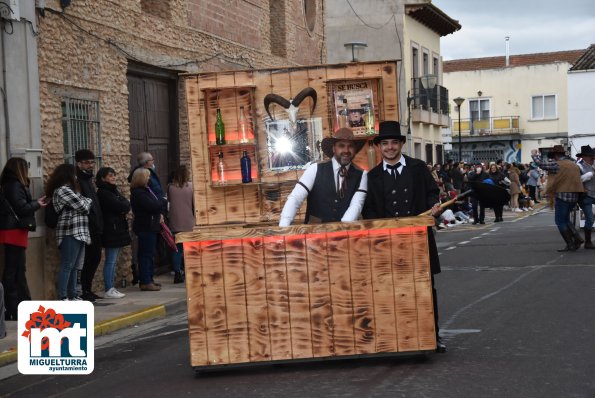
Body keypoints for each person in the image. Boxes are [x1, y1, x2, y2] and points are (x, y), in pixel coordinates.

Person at [361, 120, 446, 353]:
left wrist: (434, 207)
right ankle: (397, 337)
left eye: (394, 143)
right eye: (385, 143)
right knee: (391, 289)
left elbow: (432, 194)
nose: (390, 147)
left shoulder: (418, 168)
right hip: (388, 244)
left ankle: (433, 335)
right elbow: (368, 210)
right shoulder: (373, 176)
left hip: (419, 240)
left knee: (426, 288)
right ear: (380, 146)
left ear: (401, 144)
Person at [279, 128, 367, 226]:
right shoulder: (314, 169)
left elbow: (356, 206)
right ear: (334, 148)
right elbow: (295, 198)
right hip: (314, 233)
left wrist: (341, 231)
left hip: (344, 233)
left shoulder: (362, 174)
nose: (346, 150)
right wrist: (283, 227)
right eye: (341, 146)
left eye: (350, 146)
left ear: (355, 150)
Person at [0, 157, 47, 320]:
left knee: (17, 270)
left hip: (13, 230)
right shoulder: (14, 185)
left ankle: (19, 305)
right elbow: (21, 207)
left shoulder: (10, 184)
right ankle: (16, 307)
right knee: (15, 271)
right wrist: (37, 204)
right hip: (15, 230)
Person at [46, 164, 93, 301]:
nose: (76, 177)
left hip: (80, 231)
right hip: (70, 231)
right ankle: (63, 295)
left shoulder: (72, 190)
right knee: (68, 265)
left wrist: (85, 201)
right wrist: (86, 201)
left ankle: (73, 295)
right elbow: (84, 206)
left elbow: (85, 201)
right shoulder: (63, 190)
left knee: (74, 267)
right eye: (74, 174)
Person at [531, 146, 584, 251]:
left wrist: (534, 155)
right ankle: (577, 238)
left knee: (560, 221)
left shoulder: (558, 164)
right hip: (574, 196)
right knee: (565, 219)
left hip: (562, 196)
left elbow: (542, 164)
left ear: (555, 155)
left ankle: (570, 243)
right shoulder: (574, 165)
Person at [96, 167, 131, 298]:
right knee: (110, 260)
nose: (113, 178)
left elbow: (126, 204)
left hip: (118, 228)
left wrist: (123, 207)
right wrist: (122, 208)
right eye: (110, 176)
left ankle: (111, 287)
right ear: (103, 178)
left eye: (114, 175)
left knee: (114, 260)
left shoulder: (113, 190)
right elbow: (120, 206)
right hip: (111, 229)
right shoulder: (104, 193)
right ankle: (108, 287)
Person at [130, 168, 167, 291]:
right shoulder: (138, 193)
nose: (149, 179)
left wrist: (159, 203)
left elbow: (156, 204)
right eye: (147, 176)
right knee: (145, 255)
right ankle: (145, 281)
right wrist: (162, 201)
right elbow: (153, 205)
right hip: (146, 226)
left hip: (151, 225)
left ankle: (149, 279)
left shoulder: (146, 190)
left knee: (150, 254)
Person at [74, 149, 104, 302]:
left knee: (95, 258)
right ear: (78, 163)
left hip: (95, 226)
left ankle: (87, 288)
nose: (90, 165)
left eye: (92, 162)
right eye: (87, 162)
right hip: (86, 227)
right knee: (87, 259)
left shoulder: (88, 180)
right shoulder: (78, 180)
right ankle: (82, 290)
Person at [167, 165, 194, 283]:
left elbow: (168, 201)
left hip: (175, 221)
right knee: (189, 247)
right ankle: (190, 269)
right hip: (189, 221)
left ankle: (177, 271)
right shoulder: (191, 186)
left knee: (176, 249)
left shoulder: (170, 187)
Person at [576, 145, 595, 249]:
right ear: (583, 156)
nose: (592, 157)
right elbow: (577, 180)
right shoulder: (578, 166)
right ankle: (588, 242)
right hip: (586, 195)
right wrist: (589, 174)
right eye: (589, 156)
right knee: (590, 219)